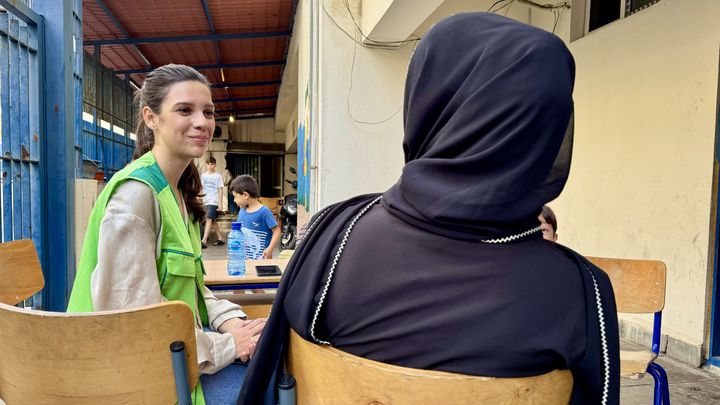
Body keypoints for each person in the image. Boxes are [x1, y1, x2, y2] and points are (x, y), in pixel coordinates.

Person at [238, 13, 619, 405]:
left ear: (427, 105)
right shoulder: (581, 292)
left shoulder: (334, 235)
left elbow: (276, 371)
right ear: (547, 130)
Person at [66, 64, 266, 404]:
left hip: (162, 358)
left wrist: (232, 323)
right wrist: (228, 345)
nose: (202, 122)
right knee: (269, 383)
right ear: (151, 117)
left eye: (208, 112)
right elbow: (137, 318)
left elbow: (192, 288)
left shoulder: (178, 193)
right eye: (185, 110)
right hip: (126, 376)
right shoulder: (135, 195)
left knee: (266, 348)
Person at [230, 175, 280, 260]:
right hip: (244, 259)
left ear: (245, 195)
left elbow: (277, 231)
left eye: (235, 196)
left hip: (262, 260)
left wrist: (270, 249)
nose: (234, 200)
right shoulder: (242, 211)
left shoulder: (264, 212)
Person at [201, 156, 226, 248]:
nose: (210, 166)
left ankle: (203, 241)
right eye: (208, 164)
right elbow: (201, 188)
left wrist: (220, 203)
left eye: (212, 164)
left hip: (213, 200)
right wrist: (199, 199)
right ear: (206, 165)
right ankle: (220, 238)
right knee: (212, 220)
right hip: (205, 200)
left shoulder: (218, 176)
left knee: (208, 219)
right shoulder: (203, 176)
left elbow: (220, 190)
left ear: (215, 165)